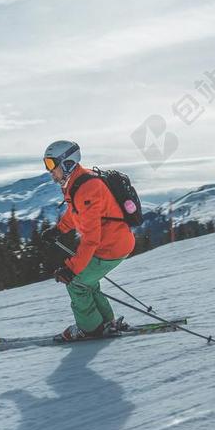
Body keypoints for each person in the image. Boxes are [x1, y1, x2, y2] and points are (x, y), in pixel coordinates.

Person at [41, 140, 136, 340]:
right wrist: (58, 230)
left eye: (51, 164)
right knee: (88, 282)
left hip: (111, 247)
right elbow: (75, 213)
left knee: (76, 283)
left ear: (67, 163)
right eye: (46, 165)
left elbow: (91, 239)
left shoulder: (87, 188)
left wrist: (72, 269)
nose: (49, 171)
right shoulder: (77, 183)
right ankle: (106, 322)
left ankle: (90, 328)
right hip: (111, 243)